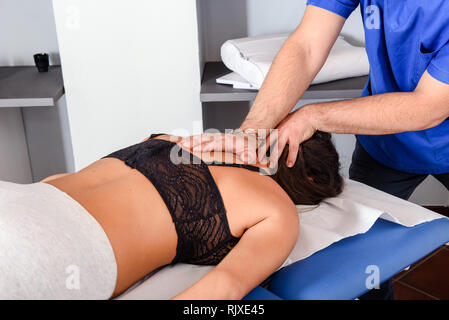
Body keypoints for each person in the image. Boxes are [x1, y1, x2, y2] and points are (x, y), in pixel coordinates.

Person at [182, 1, 449, 299]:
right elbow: (308, 44)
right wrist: (252, 131)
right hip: (386, 142)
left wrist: (313, 115)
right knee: (364, 262)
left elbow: (429, 107)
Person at [0, 132, 342, 299]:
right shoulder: (276, 208)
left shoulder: (171, 139)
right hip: (54, 250)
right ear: (311, 180)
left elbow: (59, 181)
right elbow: (223, 290)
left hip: (21, 196)